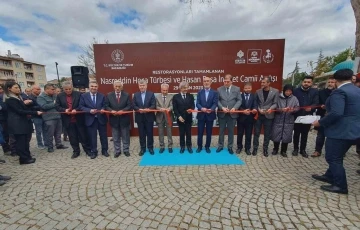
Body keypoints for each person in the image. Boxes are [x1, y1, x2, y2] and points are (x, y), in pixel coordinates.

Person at [312, 69, 360, 194]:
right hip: (354, 130)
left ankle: (340, 185)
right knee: (337, 156)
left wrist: (320, 122)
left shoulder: (339, 92)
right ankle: (329, 175)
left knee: (333, 158)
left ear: (335, 80)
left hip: (340, 131)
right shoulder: (357, 90)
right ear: (350, 77)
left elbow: (336, 113)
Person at [4, 81, 42, 164]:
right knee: (21, 142)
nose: (18, 89)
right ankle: (23, 159)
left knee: (25, 141)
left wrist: (30, 104)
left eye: (18, 87)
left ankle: (27, 156)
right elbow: (19, 111)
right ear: (9, 89)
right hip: (17, 123)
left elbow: (24, 108)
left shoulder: (18, 97)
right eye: (16, 88)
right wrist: (35, 112)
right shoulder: (10, 99)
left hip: (22, 122)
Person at [55, 81, 91, 159]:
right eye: (66, 89)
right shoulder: (59, 96)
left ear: (72, 88)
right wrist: (65, 110)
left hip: (79, 119)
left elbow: (82, 105)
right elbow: (57, 106)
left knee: (83, 136)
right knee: (72, 137)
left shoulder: (79, 94)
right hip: (68, 120)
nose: (68, 90)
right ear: (63, 89)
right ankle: (76, 151)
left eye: (70, 89)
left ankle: (87, 150)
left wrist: (76, 109)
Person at [79, 81, 109, 159]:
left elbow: (105, 105)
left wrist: (103, 109)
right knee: (92, 137)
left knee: (103, 136)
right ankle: (94, 151)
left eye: (95, 86)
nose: (94, 88)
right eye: (92, 86)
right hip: (90, 119)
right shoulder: (84, 96)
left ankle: (104, 150)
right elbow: (81, 106)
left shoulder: (102, 95)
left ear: (97, 87)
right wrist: (89, 110)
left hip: (101, 118)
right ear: (89, 87)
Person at [292, 76, 319, 158]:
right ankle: (295, 149)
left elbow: (316, 102)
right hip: (297, 115)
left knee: (305, 134)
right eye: (305, 82)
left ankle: (302, 149)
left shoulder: (314, 92)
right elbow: (292, 101)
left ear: (311, 83)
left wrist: (311, 107)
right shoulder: (296, 91)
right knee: (296, 133)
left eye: (308, 82)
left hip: (308, 116)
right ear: (302, 82)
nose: (306, 83)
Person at [37, 84, 68, 153]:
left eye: (54, 89)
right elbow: (44, 106)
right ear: (46, 89)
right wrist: (54, 103)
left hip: (58, 116)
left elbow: (59, 104)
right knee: (50, 133)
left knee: (58, 132)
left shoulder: (55, 96)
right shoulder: (41, 97)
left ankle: (59, 144)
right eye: (52, 89)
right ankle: (50, 146)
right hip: (49, 118)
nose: (54, 91)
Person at [253, 77, 279, 156]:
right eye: (262, 82)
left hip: (269, 115)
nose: (262, 84)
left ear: (268, 83)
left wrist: (271, 109)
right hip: (259, 115)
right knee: (256, 133)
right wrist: (258, 109)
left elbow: (275, 103)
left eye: (264, 82)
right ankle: (255, 148)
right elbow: (255, 102)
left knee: (267, 133)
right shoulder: (258, 91)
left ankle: (265, 149)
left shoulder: (275, 91)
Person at [105, 80, 132, 157]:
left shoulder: (126, 95)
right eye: (116, 86)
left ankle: (126, 150)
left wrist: (123, 111)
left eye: (119, 86)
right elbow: (106, 106)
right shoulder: (109, 95)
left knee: (125, 136)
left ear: (122, 87)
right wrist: (111, 110)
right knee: (115, 136)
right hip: (114, 119)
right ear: (113, 87)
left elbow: (129, 105)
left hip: (124, 119)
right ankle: (117, 151)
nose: (117, 88)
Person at [271, 85, 299, 157]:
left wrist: (293, 110)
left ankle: (283, 150)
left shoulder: (294, 98)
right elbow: (274, 107)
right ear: (284, 90)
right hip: (278, 119)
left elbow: (297, 107)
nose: (288, 92)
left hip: (288, 119)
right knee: (276, 135)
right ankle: (275, 149)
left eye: (290, 91)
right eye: (286, 91)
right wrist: (281, 109)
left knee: (286, 136)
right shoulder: (278, 97)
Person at [216, 74, 242, 154]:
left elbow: (239, 100)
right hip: (222, 114)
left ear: (231, 81)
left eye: (228, 81)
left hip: (232, 114)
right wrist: (222, 108)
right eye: (224, 81)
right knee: (221, 131)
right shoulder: (219, 89)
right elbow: (217, 101)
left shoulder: (237, 89)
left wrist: (234, 108)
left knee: (231, 131)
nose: (226, 83)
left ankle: (230, 147)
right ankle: (220, 146)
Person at [312, 78, 336, 157]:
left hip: (334, 117)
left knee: (334, 135)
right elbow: (316, 103)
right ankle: (317, 150)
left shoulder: (338, 93)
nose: (330, 83)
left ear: (335, 83)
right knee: (320, 135)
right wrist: (321, 106)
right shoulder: (321, 92)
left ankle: (335, 151)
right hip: (322, 115)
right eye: (328, 82)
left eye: (332, 82)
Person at [133, 80, 156, 156]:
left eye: (143, 85)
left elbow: (153, 104)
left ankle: (150, 148)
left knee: (150, 133)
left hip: (149, 117)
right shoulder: (136, 95)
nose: (142, 87)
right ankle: (143, 148)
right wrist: (138, 110)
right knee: (141, 134)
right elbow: (134, 105)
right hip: (140, 117)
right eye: (140, 85)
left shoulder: (151, 94)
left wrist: (148, 109)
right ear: (138, 86)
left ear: (146, 86)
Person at [196, 76, 218, 153]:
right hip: (201, 115)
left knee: (209, 132)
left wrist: (211, 109)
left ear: (210, 82)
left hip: (210, 115)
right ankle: (199, 146)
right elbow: (197, 103)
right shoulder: (199, 92)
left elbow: (215, 103)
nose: (206, 82)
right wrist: (201, 108)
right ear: (203, 82)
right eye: (204, 81)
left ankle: (207, 147)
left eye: (208, 81)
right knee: (200, 132)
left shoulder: (215, 92)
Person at [173, 81, 195, 153]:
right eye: (184, 88)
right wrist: (179, 116)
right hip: (180, 119)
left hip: (188, 118)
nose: (186, 89)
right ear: (180, 88)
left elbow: (193, 106)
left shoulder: (190, 96)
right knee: (181, 133)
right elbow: (175, 108)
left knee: (188, 133)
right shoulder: (176, 97)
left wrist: (191, 109)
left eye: (187, 88)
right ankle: (182, 146)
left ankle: (189, 146)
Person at [236, 83, 257, 155]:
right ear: (243, 89)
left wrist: (254, 109)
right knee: (240, 133)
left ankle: (247, 148)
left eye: (249, 88)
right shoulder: (240, 96)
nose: (247, 90)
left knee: (249, 134)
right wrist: (243, 111)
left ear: (251, 88)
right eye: (246, 88)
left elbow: (255, 105)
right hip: (241, 118)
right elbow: (238, 105)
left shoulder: (254, 96)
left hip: (250, 119)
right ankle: (239, 147)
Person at [155, 83, 174, 153]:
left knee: (169, 132)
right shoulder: (157, 97)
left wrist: (169, 109)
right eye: (163, 90)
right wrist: (160, 109)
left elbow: (172, 105)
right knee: (161, 132)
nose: (165, 92)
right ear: (161, 90)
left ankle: (170, 146)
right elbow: (156, 106)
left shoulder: (171, 96)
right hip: (160, 117)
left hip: (168, 117)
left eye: (166, 90)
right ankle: (162, 146)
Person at [29, 85, 46, 149]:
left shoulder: (41, 97)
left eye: (39, 89)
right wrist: (41, 107)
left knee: (45, 130)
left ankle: (46, 143)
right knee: (39, 131)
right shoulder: (30, 97)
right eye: (37, 89)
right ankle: (40, 144)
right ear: (32, 89)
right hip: (36, 116)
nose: (39, 90)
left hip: (43, 116)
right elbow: (30, 108)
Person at [0, 84, 11, 154]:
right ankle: (6, 149)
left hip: (6, 117)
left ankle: (7, 147)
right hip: (2, 118)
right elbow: (3, 107)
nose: (1, 90)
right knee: (4, 134)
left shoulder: (3, 96)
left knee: (7, 133)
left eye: (1, 88)